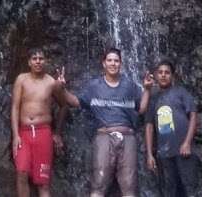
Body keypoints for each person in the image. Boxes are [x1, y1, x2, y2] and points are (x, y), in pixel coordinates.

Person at [59, 47, 153, 197]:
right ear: (103, 63)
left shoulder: (130, 86)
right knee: (98, 184)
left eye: (116, 61)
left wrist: (147, 89)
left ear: (120, 64)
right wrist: (62, 88)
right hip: (104, 136)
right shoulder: (94, 86)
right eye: (109, 60)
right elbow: (76, 102)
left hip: (127, 137)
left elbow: (141, 109)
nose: (113, 63)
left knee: (130, 187)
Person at [11, 46, 68, 197]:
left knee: (43, 181)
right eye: (34, 59)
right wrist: (16, 135)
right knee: (21, 172)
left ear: (45, 61)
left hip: (44, 132)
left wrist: (57, 133)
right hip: (24, 133)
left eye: (41, 58)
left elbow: (63, 106)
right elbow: (15, 108)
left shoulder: (51, 83)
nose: (38, 62)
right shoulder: (21, 79)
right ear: (29, 62)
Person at [144, 60, 199, 197]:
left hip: (183, 150)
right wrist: (150, 154)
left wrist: (187, 143)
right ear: (156, 75)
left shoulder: (181, 92)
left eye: (167, 73)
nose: (163, 75)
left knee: (189, 188)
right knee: (169, 190)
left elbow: (193, 115)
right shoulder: (153, 99)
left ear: (172, 76)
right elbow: (149, 127)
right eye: (160, 72)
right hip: (164, 154)